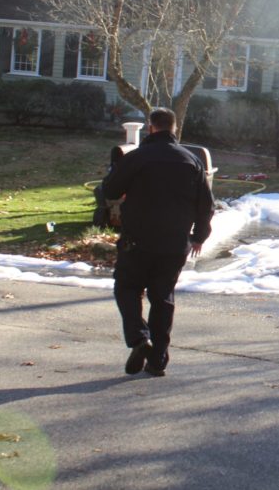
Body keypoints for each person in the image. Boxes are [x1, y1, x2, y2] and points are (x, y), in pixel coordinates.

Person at [103, 108, 213, 377]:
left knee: (127, 287)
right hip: (174, 243)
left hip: (137, 240)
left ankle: (140, 338)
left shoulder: (137, 157)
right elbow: (206, 205)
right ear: (174, 128)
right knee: (163, 298)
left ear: (150, 127)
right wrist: (199, 236)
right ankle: (158, 360)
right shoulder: (192, 161)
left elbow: (110, 190)